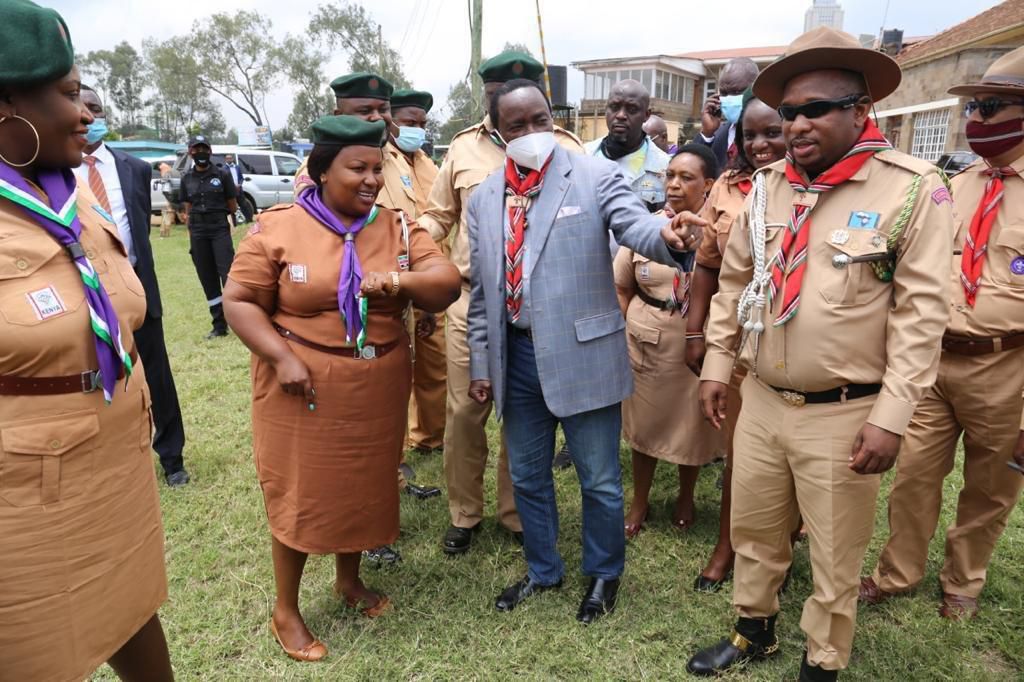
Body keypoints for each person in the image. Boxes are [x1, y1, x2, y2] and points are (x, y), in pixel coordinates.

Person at [685, 27, 953, 680]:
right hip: (766, 400)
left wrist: (892, 416)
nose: (797, 124)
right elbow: (734, 284)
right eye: (789, 112)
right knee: (754, 529)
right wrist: (719, 365)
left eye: (816, 110)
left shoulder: (913, 190)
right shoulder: (768, 188)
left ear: (861, 112)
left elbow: (921, 318)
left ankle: (823, 659)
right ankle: (755, 631)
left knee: (835, 551)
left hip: (845, 412)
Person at [466, 78, 704, 624]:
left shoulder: (594, 174)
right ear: (498, 132)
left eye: (539, 121)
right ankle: (543, 570)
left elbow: (636, 225)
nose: (531, 134)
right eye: (517, 126)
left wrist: (669, 238)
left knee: (598, 477)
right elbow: (482, 291)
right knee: (527, 475)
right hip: (516, 359)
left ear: (554, 120)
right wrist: (482, 363)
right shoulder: (484, 198)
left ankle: (603, 575)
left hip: (583, 353)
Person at [223, 115, 460, 662]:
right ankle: (286, 609)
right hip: (300, 385)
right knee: (301, 493)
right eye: (358, 168)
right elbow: (238, 300)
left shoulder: (397, 227)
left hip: (376, 383)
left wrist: (396, 281)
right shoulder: (279, 227)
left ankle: (348, 583)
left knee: (364, 484)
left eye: (378, 167)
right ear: (322, 170)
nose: (372, 179)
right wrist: (281, 357)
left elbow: (444, 283)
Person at [0, 1, 173, 679]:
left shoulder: (74, 197)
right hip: (25, 491)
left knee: (132, 607)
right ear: (8, 103)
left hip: (116, 456)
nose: (86, 113)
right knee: (35, 646)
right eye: (69, 95)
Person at [861, 45, 1024, 622]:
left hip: (1008, 370)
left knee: (990, 487)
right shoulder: (956, 185)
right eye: (975, 105)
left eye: (993, 106)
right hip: (934, 361)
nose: (976, 118)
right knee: (913, 476)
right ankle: (898, 573)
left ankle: (964, 580)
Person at [418, 50, 583, 555]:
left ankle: (516, 513)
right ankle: (465, 514)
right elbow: (436, 217)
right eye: (494, 90)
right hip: (473, 304)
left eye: (520, 88)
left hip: (540, 310)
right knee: (466, 412)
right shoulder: (464, 149)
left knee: (524, 414)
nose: (504, 96)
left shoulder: (566, 148)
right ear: (486, 93)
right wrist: (423, 264)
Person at [686, 92, 788, 592]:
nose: (762, 143)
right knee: (740, 455)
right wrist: (695, 333)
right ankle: (727, 545)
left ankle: (783, 543)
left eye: (773, 131)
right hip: (742, 346)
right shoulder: (727, 187)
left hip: (799, 350)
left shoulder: (816, 189)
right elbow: (709, 265)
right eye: (751, 134)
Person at [76, 85, 190, 487]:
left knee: (157, 371)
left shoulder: (134, 169)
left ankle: (172, 457)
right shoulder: (56, 168)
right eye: (82, 106)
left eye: (97, 108)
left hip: (137, 284)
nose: (90, 117)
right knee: (98, 373)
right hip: (85, 289)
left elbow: (139, 229)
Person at [614, 143, 723, 539]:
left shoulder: (718, 235)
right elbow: (621, 285)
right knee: (645, 424)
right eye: (669, 176)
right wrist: (635, 324)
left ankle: (685, 496)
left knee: (692, 425)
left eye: (686, 178)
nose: (674, 185)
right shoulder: (646, 228)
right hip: (648, 339)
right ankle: (639, 500)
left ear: (708, 185)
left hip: (699, 344)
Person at [385, 88, 447, 457]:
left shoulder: (428, 163)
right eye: (410, 123)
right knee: (396, 370)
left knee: (434, 366)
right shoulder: (379, 159)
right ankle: (395, 448)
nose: (418, 130)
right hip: (394, 283)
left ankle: (429, 436)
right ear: (392, 122)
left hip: (433, 279)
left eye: (422, 124)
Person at [179, 134, 238, 340]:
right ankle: (219, 325)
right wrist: (190, 229)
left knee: (228, 274)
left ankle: (239, 322)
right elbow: (187, 206)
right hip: (198, 230)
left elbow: (232, 204)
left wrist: (229, 223)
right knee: (207, 277)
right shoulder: (186, 178)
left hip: (219, 228)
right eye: (196, 149)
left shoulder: (222, 174)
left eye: (204, 148)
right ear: (190, 152)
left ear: (210, 151)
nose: (200, 153)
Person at [585, 79, 671, 212]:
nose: (620, 115)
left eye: (631, 109)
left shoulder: (665, 168)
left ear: (646, 115)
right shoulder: (583, 155)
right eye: (614, 107)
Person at [693, 58, 760, 171]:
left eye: (737, 92)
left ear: (755, 89)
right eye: (724, 93)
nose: (729, 98)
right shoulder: (717, 133)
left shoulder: (772, 133)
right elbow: (692, 168)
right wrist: (707, 133)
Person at [223, 153, 249, 223]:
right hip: (230, 191)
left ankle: (248, 220)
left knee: (244, 205)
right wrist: (232, 186)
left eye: (230, 158)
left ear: (233, 159)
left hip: (239, 189)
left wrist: (239, 184)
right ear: (225, 159)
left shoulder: (237, 167)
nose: (229, 159)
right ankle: (234, 222)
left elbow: (241, 178)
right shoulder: (223, 169)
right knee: (232, 207)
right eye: (227, 158)